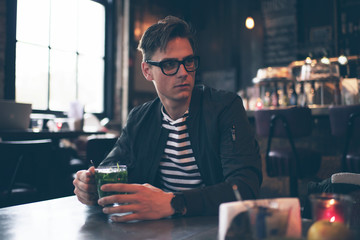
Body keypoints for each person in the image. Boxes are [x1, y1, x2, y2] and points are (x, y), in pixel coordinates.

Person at [73, 15, 262, 222]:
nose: (183, 72)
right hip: (155, 230)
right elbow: (111, 168)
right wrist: (90, 186)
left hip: (214, 227)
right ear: (147, 71)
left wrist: (174, 203)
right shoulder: (139, 118)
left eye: (188, 61)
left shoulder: (225, 107)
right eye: (170, 64)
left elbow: (244, 187)